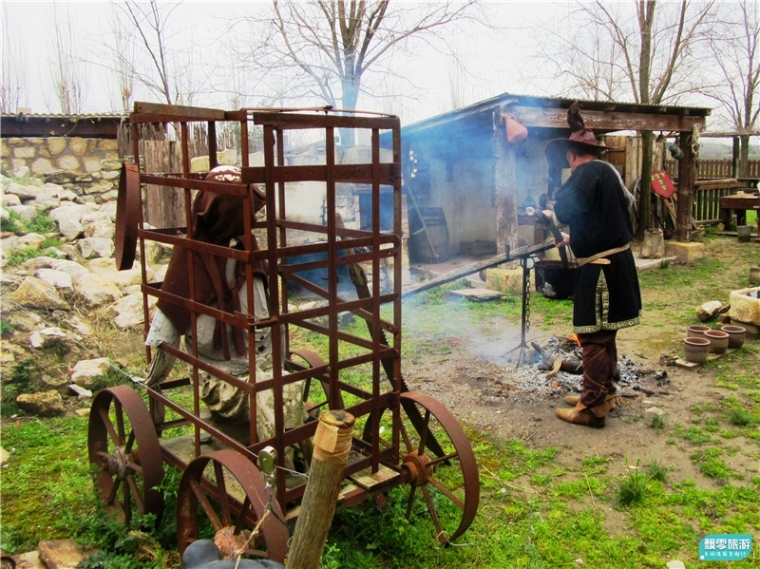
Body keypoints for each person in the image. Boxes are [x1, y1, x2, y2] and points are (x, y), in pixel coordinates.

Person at [543, 102, 642, 429]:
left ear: (572, 155)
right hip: (615, 261)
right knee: (605, 336)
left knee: (594, 338)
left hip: (601, 269)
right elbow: (602, 221)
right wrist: (575, 240)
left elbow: (565, 210)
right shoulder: (606, 173)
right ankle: (603, 393)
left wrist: (549, 216)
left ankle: (591, 407)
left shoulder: (586, 173)